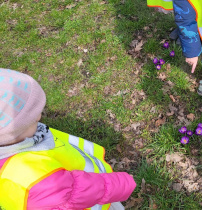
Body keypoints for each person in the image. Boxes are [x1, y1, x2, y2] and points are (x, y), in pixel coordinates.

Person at [0, 69, 136, 210]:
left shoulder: (18, 140)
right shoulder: (33, 180)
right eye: (32, 119)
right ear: (9, 136)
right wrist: (125, 183)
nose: (39, 118)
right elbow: (81, 191)